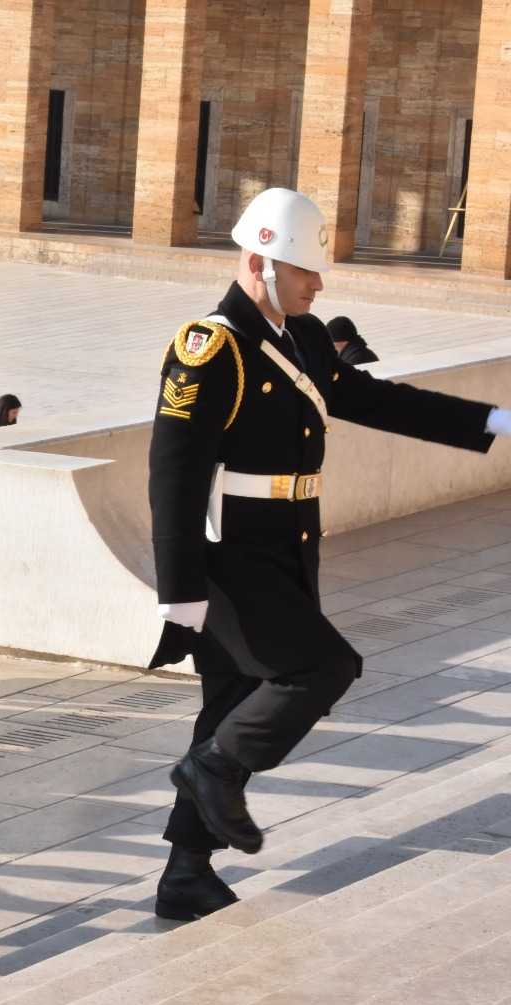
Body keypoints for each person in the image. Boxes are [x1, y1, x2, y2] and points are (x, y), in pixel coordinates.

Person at [147, 187, 511, 922]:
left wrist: (497, 419)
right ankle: (213, 767)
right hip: (235, 551)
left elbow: (375, 400)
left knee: (231, 697)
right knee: (324, 667)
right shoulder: (210, 347)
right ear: (259, 262)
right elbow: (174, 474)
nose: (319, 282)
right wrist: (179, 587)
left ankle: (185, 871)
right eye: (304, 268)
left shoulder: (304, 336)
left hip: (290, 543)